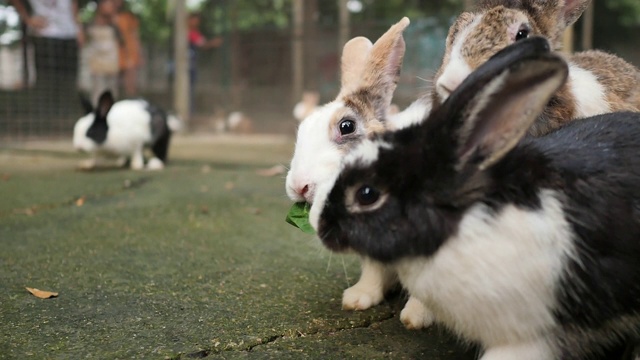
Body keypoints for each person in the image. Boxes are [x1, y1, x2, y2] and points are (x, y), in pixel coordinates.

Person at [9, 0, 84, 122]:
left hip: (69, 35)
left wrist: (78, 28)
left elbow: (73, 4)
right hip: (44, 36)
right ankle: (45, 119)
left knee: (68, 81)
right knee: (46, 81)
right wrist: (28, 19)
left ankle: (67, 119)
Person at [85, 0, 121, 103]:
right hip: (96, 64)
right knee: (97, 90)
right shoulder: (91, 24)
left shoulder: (114, 25)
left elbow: (121, 42)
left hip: (111, 63)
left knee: (112, 91)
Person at [187, 12, 222, 113]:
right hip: (186, 66)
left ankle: (190, 111)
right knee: (188, 90)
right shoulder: (189, 32)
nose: (196, 22)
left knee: (190, 90)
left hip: (191, 64)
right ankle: (188, 112)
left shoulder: (193, 32)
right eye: (195, 20)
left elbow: (202, 42)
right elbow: (203, 44)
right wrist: (213, 43)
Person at [113, 0, 141, 97]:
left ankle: (131, 100)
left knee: (130, 82)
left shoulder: (128, 16)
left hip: (129, 52)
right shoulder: (108, 17)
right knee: (115, 82)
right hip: (114, 54)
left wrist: (138, 52)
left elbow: (135, 35)